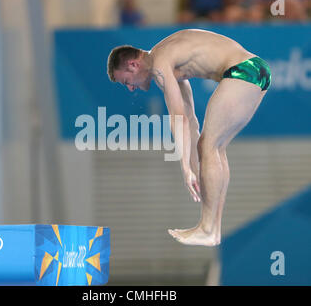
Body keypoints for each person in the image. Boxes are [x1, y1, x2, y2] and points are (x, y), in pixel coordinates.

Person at [106, 29, 271, 246]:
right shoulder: (169, 62)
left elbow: (178, 118)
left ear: (133, 65)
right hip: (256, 70)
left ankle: (207, 228)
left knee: (209, 146)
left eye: (125, 81)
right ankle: (213, 229)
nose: (129, 88)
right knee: (214, 147)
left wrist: (185, 168)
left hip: (243, 70)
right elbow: (190, 119)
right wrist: (194, 165)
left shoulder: (160, 64)